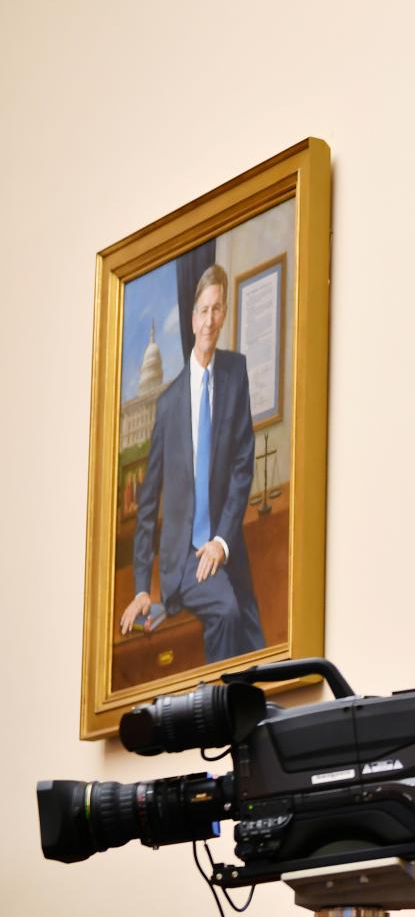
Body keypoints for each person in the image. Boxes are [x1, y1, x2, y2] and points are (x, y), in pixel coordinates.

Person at [119, 264, 264, 662]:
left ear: (225, 312)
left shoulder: (236, 373)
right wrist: (141, 589)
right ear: (192, 316)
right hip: (183, 557)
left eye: (217, 309)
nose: (209, 320)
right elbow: (147, 504)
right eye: (203, 310)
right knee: (229, 612)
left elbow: (242, 467)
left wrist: (220, 541)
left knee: (258, 637)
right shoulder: (168, 405)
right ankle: (216, 701)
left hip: (222, 545)